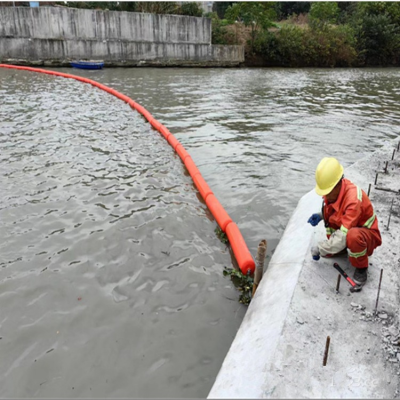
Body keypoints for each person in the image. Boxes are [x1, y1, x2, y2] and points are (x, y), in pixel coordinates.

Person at [307, 157, 382, 285]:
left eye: (328, 192)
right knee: (327, 211)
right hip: (351, 227)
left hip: (367, 237)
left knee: (352, 236)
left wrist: (321, 248)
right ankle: (339, 250)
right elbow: (338, 213)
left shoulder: (353, 199)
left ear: (338, 184)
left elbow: (344, 235)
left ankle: (361, 267)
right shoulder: (337, 192)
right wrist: (321, 215)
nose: (326, 196)